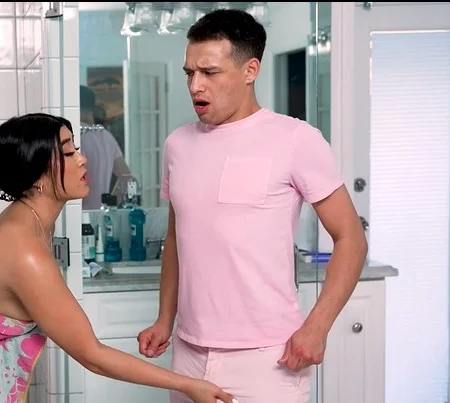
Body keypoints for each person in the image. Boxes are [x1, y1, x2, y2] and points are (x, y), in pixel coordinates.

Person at [0, 113, 235, 403]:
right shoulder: (23, 249)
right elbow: (92, 355)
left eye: (76, 149)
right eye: (68, 153)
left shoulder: (29, 222)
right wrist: (188, 385)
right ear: (36, 176)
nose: (83, 160)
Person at [136, 9, 368, 403]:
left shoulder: (296, 139)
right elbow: (177, 239)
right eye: (189, 73)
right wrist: (164, 319)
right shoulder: (177, 144)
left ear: (250, 70)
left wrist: (318, 326)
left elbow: (351, 238)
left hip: (268, 356)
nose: (195, 85)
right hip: (188, 353)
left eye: (209, 72)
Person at [79, 85, 135, 210]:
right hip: (100, 215)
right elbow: (129, 180)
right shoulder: (106, 136)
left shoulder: (75, 137)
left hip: (78, 215)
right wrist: (112, 205)